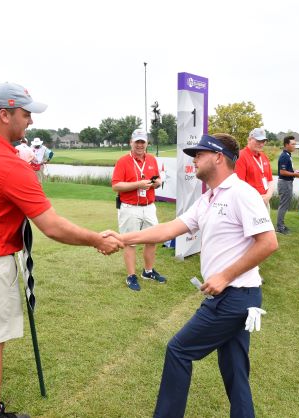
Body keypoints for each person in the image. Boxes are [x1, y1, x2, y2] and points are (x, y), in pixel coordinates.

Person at [0, 81, 122, 418]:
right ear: (4, 114)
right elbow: (52, 225)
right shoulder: (12, 166)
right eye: (25, 114)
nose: (30, 121)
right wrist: (96, 240)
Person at [106, 133, 278, 417]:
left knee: (178, 350)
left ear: (219, 157)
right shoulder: (208, 198)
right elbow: (168, 229)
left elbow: (269, 242)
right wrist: (123, 238)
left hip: (233, 297)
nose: (194, 160)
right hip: (236, 298)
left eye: (199, 154)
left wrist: (224, 275)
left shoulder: (242, 194)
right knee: (235, 371)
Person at [111, 128, 166, 291]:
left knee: (153, 239)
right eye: (137, 142)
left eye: (143, 142)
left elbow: (156, 178)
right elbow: (116, 185)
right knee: (130, 242)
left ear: (147, 143)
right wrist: (138, 185)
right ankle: (131, 276)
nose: (140, 145)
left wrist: (157, 182)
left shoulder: (151, 159)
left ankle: (148, 272)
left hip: (149, 206)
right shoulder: (123, 161)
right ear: (131, 143)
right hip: (129, 207)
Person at [235, 127, 274, 208]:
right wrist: (257, 199)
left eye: (263, 141)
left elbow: (270, 180)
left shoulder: (264, 156)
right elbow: (239, 185)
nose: (261, 144)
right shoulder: (241, 156)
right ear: (249, 140)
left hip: (265, 201)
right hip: (250, 203)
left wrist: (268, 196)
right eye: (258, 141)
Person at [276, 135, 299, 234]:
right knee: (283, 205)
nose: (294, 146)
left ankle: (281, 225)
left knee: (285, 205)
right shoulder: (284, 156)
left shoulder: (288, 155)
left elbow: (287, 170)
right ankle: (279, 227)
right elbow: (282, 172)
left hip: (287, 182)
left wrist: (294, 171)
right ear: (286, 145)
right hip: (284, 183)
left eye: (295, 144)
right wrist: (294, 174)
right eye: (293, 144)